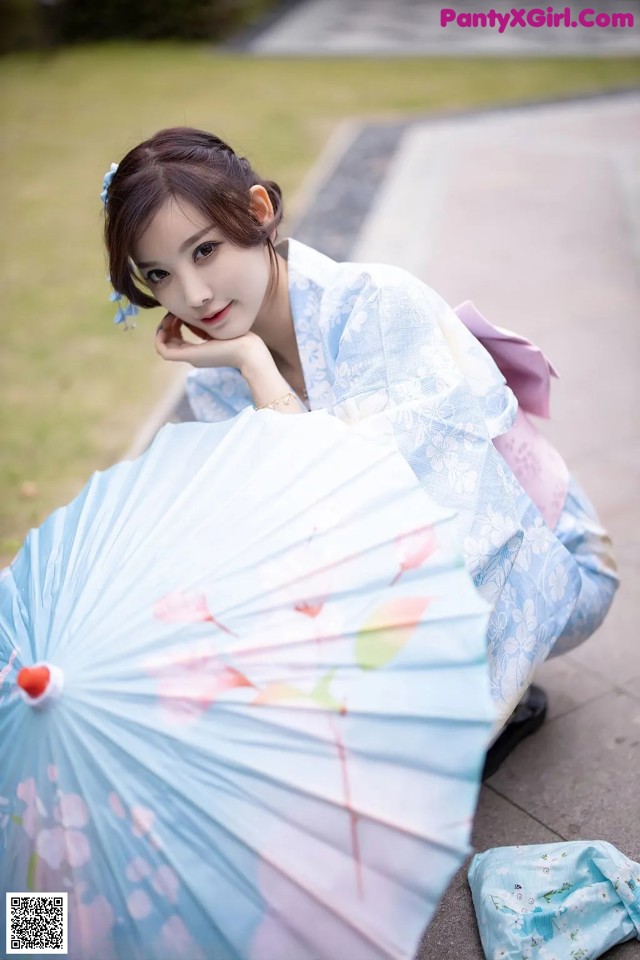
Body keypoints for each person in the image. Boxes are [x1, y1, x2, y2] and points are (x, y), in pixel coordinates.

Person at [101, 127, 619, 774]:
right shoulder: (214, 380)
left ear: (258, 212)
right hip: (394, 562)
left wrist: (257, 368)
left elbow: (431, 507)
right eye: (160, 275)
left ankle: (490, 707)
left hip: (533, 553)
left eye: (204, 250)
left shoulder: (378, 305)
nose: (193, 295)